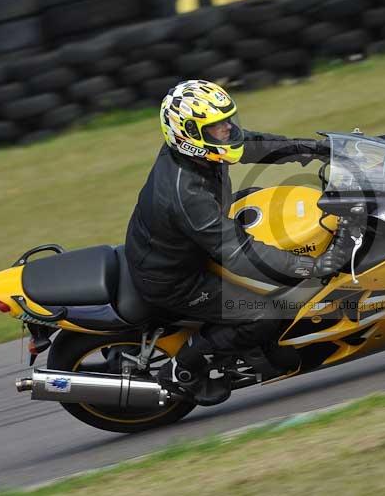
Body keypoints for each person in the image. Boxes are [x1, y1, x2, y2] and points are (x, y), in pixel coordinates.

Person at [124, 80, 351, 406]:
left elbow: (254, 145)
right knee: (264, 312)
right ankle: (182, 368)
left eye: (228, 121)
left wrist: (312, 149)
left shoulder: (199, 153)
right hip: (174, 279)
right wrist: (309, 266)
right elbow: (237, 253)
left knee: (269, 205)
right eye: (217, 127)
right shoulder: (186, 192)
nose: (228, 129)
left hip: (188, 245)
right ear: (190, 134)